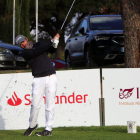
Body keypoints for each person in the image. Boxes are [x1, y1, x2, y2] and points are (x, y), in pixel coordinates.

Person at [15, 33, 60, 136]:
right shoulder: (25, 53)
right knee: (35, 105)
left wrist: (55, 42)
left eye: (23, 41)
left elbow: (51, 50)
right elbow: (36, 52)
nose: (23, 44)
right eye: (20, 44)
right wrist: (51, 41)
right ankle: (32, 125)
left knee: (50, 105)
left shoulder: (39, 43)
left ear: (26, 39)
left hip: (51, 77)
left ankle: (48, 129)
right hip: (38, 79)